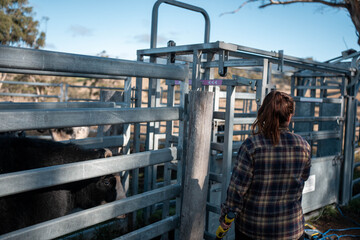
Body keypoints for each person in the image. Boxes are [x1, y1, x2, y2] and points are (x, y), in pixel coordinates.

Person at [219, 90, 311, 240]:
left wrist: (226, 215)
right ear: (289, 117)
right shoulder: (304, 146)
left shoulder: (252, 146)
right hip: (291, 230)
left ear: (264, 113)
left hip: (253, 229)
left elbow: (237, 189)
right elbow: (303, 178)